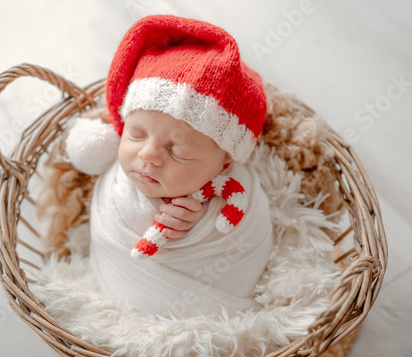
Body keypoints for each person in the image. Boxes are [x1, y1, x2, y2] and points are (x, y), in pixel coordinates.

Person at [65, 14, 273, 318]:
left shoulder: (240, 190)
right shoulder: (116, 179)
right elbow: (118, 220)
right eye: (136, 133)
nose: (148, 155)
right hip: (116, 301)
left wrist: (196, 227)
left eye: (177, 151)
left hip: (207, 316)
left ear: (224, 164)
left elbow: (241, 238)